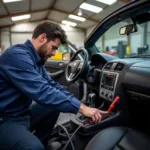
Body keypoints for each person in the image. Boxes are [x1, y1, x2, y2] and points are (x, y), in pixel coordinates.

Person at [0, 21, 107, 150]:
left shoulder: (36, 60)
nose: (55, 53)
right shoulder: (16, 56)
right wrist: (82, 108)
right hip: (6, 119)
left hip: (23, 113)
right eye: (54, 47)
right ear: (42, 38)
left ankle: (41, 143)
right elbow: (42, 92)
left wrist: (79, 105)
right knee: (34, 147)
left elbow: (52, 85)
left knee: (53, 107)